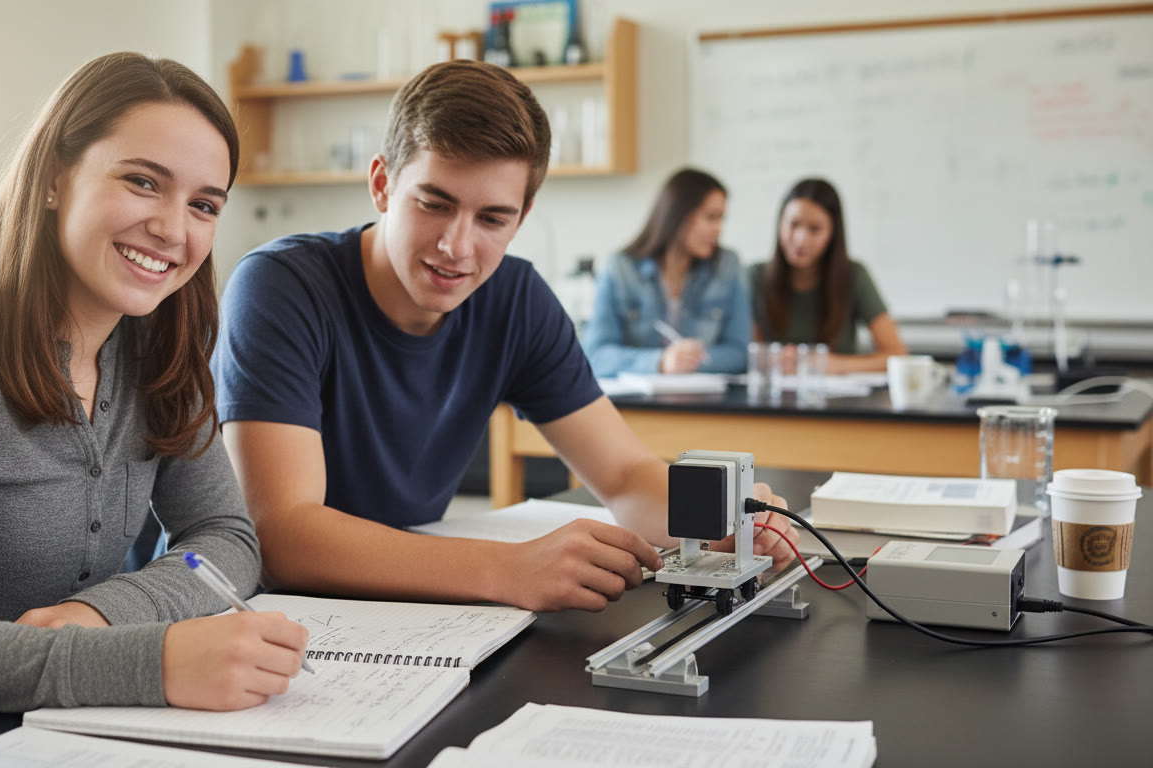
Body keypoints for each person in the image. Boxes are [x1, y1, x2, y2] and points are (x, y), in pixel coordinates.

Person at [0, 52, 309, 743]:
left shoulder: (161, 345)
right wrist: (148, 660)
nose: (172, 228)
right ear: (53, 179)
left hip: (47, 728)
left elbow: (225, 537)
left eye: (203, 205)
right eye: (142, 182)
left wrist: (103, 613)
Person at [212, 60, 797, 615]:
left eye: (492, 219)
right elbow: (283, 534)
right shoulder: (280, 287)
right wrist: (508, 569)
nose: (457, 246)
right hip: (259, 615)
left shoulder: (515, 298)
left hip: (406, 611)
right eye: (434, 204)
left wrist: (723, 519)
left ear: (523, 214)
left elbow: (622, 475)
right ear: (383, 183)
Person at [583, 168, 750, 377]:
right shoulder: (619, 269)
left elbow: (741, 353)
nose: (719, 229)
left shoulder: (728, 266)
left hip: (706, 403)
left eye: (721, 219)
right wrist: (660, 362)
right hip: (640, 405)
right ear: (678, 215)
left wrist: (689, 360)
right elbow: (596, 355)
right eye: (711, 217)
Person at [750, 177, 907, 374]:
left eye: (814, 229)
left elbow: (897, 354)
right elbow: (749, 354)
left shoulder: (853, 276)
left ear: (832, 234)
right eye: (793, 224)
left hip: (838, 401)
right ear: (780, 223)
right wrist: (773, 360)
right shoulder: (754, 277)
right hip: (772, 399)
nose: (801, 239)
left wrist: (833, 364)